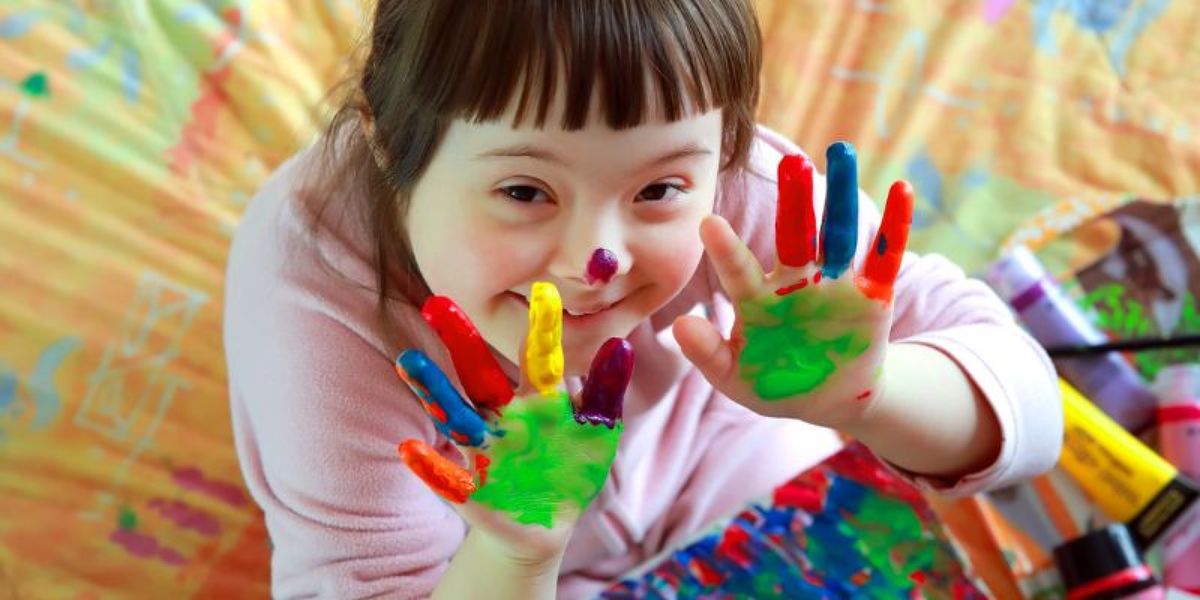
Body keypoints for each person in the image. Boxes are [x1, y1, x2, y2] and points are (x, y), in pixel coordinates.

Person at [222, 1, 1062, 597]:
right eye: (524, 190)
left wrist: (874, 392)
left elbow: (1032, 412)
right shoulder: (315, 301)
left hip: (736, 470)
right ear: (385, 143)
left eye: (660, 188)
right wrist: (514, 553)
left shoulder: (742, 188)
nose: (599, 261)